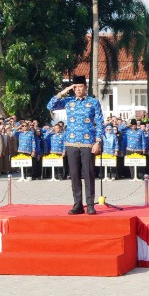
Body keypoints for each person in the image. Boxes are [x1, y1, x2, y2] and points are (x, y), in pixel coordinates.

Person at [47, 77, 104, 214]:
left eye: (80, 87)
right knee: (74, 174)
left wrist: (98, 141)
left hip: (88, 143)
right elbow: (50, 105)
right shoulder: (68, 102)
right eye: (75, 87)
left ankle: (90, 205)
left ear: (85, 87)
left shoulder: (93, 102)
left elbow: (100, 122)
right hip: (71, 143)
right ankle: (78, 204)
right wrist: (64, 91)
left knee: (89, 174)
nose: (78, 89)